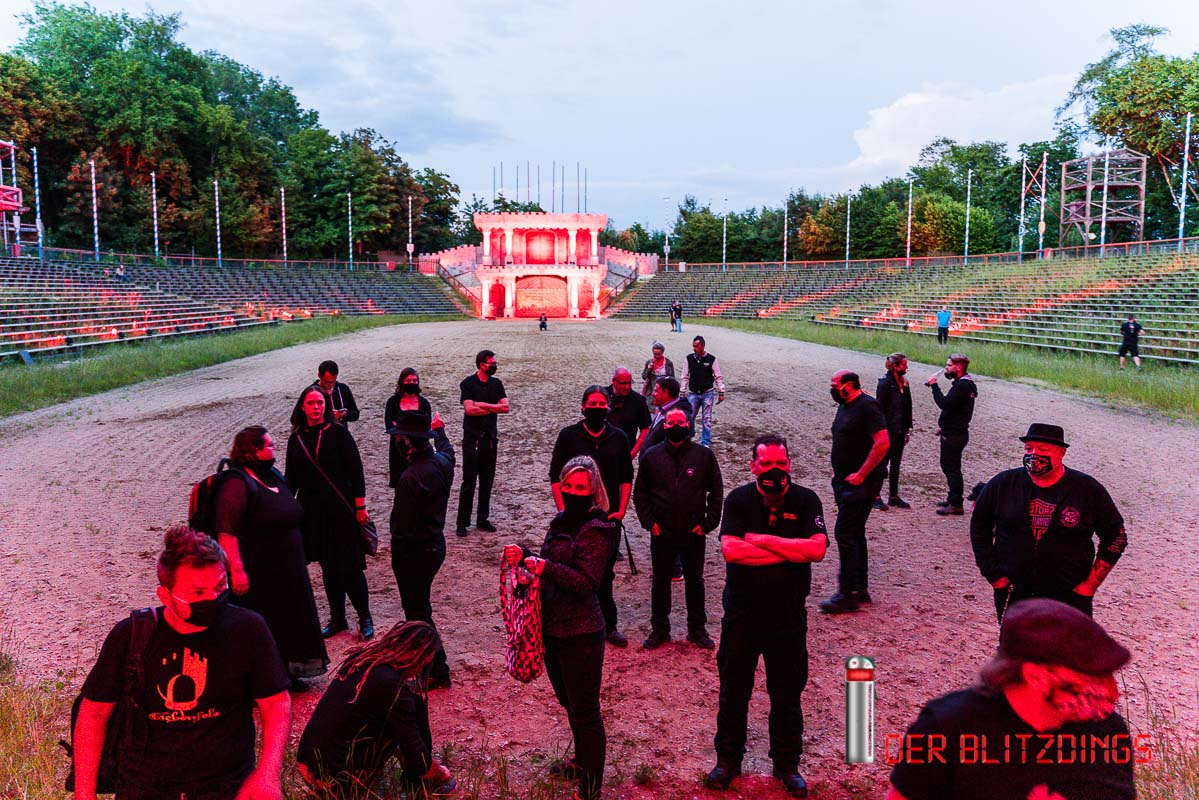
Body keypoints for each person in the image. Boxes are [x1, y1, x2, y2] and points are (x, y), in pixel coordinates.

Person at [73, 526, 292, 800]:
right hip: (145, 789)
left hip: (226, 787)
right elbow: (93, 713)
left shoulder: (248, 629)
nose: (212, 599)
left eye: (219, 586)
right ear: (165, 596)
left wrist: (268, 774)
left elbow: (275, 703)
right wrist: (84, 794)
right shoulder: (131, 636)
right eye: (197, 592)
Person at [886, 599, 1136, 800]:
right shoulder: (946, 728)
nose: (1111, 693)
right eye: (1091, 678)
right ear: (1036, 676)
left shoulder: (1107, 731)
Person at [706, 435, 827, 798]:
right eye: (767, 464)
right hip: (742, 616)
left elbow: (817, 550)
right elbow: (732, 551)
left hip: (787, 618)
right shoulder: (738, 500)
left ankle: (787, 764)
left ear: (789, 464)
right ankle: (728, 760)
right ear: (753, 466)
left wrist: (760, 540)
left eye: (781, 463)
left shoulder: (807, 500)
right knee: (733, 691)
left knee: (787, 693)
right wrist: (791, 551)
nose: (775, 470)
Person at [503, 456, 616, 800]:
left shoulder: (598, 529)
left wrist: (542, 566)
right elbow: (550, 564)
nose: (574, 492)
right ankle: (581, 762)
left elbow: (586, 583)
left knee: (586, 712)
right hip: (552, 629)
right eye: (568, 486)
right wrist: (525, 558)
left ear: (593, 490)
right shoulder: (560, 521)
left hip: (581, 633)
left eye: (581, 487)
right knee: (570, 703)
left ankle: (591, 789)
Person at [970, 424, 1128, 623]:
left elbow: (1116, 536)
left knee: (1067, 643)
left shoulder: (1087, 489)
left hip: (1069, 596)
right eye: (1029, 448)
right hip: (1014, 592)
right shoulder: (1003, 483)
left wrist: (1089, 586)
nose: (1034, 454)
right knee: (1016, 642)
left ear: (1061, 453)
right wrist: (994, 576)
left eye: (1043, 449)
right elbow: (979, 527)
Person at [215, 425, 328, 682]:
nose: (274, 448)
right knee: (267, 621)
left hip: (289, 571)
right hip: (260, 572)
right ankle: (266, 679)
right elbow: (226, 533)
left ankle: (287, 673)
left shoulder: (273, 475)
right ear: (253, 451)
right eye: (268, 445)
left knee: (288, 619)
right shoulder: (236, 483)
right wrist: (237, 572)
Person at [297, 621, 456, 798]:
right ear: (413, 653)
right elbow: (415, 750)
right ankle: (417, 783)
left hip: (306, 761)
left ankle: (413, 778)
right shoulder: (390, 686)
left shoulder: (364, 658)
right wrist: (439, 772)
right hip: (333, 779)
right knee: (404, 719)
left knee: (414, 703)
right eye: (422, 663)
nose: (419, 670)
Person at [548, 386, 634, 647]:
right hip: (572, 514)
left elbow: (626, 477)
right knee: (569, 568)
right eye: (592, 404)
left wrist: (621, 510)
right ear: (583, 407)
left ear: (607, 407)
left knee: (605, 574)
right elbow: (555, 476)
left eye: (601, 404)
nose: (597, 408)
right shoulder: (568, 436)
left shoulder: (619, 437)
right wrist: (563, 509)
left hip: (607, 516)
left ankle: (608, 625)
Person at [286, 386, 374, 640]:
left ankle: (364, 616)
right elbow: (291, 479)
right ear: (302, 407)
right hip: (312, 513)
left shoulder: (338, 433)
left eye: (320, 403)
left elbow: (356, 471)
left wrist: (360, 507)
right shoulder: (296, 439)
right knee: (328, 567)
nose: (316, 407)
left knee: (350, 566)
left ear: (326, 406)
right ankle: (337, 618)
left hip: (341, 509)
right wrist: (284, 509)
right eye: (311, 403)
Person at [633, 407, 723, 649]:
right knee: (660, 581)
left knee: (695, 581)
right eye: (670, 422)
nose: (675, 426)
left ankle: (697, 629)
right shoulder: (651, 456)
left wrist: (707, 524)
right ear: (664, 426)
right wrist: (649, 523)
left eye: (680, 422)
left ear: (688, 425)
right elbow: (640, 492)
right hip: (661, 532)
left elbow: (716, 490)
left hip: (693, 531)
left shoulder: (703, 456)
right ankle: (660, 629)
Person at [389, 410, 456, 688]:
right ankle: (431, 667)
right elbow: (449, 450)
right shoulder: (442, 463)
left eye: (400, 438)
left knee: (417, 613)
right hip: (435, 546)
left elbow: (402, 529)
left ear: (408, 442)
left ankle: (436, 670)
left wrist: (397, 558)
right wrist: (439, 430)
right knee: (420, 609)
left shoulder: (410, 478)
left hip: (414, 553)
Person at [819, 371, 889, 615]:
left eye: (835, 385)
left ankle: (847, 594)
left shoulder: (867, 406)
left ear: (848, 385)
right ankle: (859, 588)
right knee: (855, 532)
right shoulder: (846, 405)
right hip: (844, 481)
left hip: (861, 483)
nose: (832, 389)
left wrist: (861, 474)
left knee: (845, 532)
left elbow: (883, 442)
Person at [455, 349, 509, 536]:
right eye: (491, 364)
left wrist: (483, 405)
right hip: (472, 440)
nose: (494, 366)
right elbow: (469, 410)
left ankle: (482, 518)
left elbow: (506, 407)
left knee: (487, 481)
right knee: (469, 481)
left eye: (495, 363)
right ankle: (462, 522)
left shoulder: (496, 384)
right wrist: (494, 408)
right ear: (481, 365)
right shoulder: (468, 383)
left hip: (490, 440)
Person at [927, 354, 978, 516]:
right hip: (954, 431)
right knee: (948, 466)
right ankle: (952, 498)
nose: (946, 368)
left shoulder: (962, 386)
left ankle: (956, 503)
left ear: (958, 367)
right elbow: (957, 409)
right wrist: (945, 426)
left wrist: (934, 386)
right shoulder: (965, 384)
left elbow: (945, 404)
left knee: (952, 468)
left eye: (949, 366)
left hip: (955, 435)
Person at [874, 353, 913, 511]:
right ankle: (875, 496)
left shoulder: (904, 383)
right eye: (904, 364)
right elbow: (879, 409)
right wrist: (880, 431)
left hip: (900, 430)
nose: (907, 367)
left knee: (896, 464)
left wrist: (907, 429)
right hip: (888, 430)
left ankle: (894, 496)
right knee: (881, 464)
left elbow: (908, 407)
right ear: (895, 366)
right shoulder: (885, 384)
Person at [384, 368, 433, 488]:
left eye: (414, 380)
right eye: (408, 380)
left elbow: (427, 426)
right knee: (400, 483)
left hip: (419, 449)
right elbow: (389, 425)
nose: (411, 383)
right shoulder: (392, 402)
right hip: (399, 450)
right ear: (402, 382)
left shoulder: (424, 403)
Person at [682, 335, 726, 447]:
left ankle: (705, 441)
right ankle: (689, 437)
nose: (694, 348)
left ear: (702, 346)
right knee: (690, 416)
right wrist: (682, 391)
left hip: (707, 392)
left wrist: (721, 391)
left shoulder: (711, 359)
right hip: (693, 393)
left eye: (696, 346)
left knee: (707, 418)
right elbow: (685, 376)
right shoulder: (689, 359)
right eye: (693, 346)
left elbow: (718, 376)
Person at [636, 377, 694, 457]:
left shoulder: (679, 416)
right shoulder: (663, 410)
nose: (652, 394)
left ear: (666, 393)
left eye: (656, 391)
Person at [607, 366, 652, 454]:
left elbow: (645, 429)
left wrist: (632, 454)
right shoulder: (602, 396)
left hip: (625, 451)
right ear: (614, 381)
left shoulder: (639, 401)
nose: (627, 387)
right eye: (623, 383)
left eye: (629, 383)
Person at [312, 360, 360, 427]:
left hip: (341, 432)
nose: (330, 385)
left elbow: (355, 414)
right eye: (327, 382)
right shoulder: (311, 393)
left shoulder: (343, 389)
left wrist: (342, 415)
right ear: (319, 375)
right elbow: (299, 418)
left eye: (333, 381)